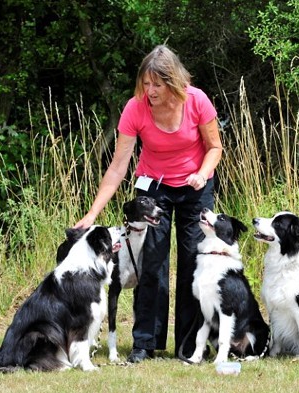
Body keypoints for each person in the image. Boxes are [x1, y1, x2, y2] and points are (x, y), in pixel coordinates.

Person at [74, 44, 222, 363]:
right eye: (145, 83)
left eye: (157, 84)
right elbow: (118, 166)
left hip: (195, 187)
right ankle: (145, 342)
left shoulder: (197, 100)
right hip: (153, 186)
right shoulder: (135, 108)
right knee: (151, 264)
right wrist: (92, 213)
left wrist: (202, 172)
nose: (150, 90)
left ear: (174, 82)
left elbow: (215, 147)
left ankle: (188, 346)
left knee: (192, 264)